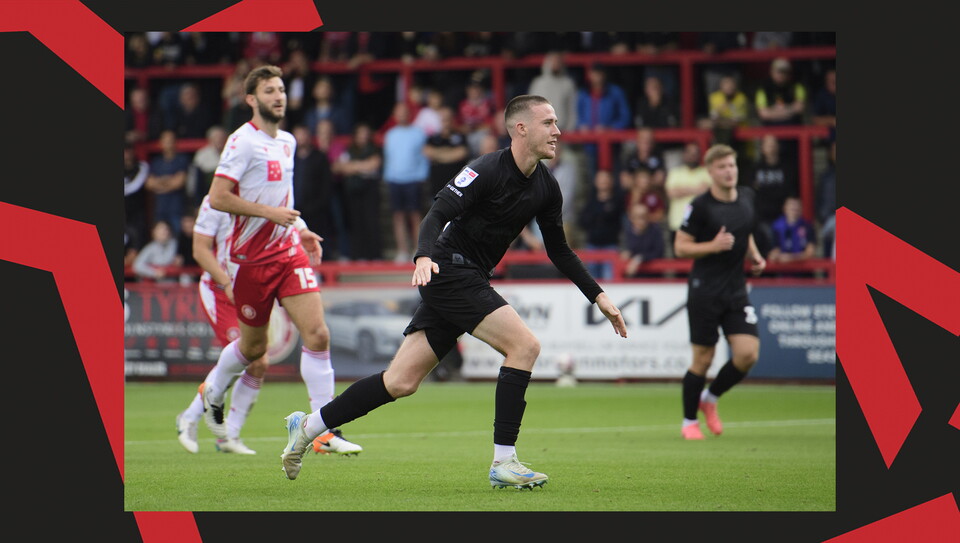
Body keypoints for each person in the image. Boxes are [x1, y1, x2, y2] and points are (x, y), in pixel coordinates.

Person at [278, 94, 628, 488]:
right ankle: (504, 462)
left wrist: (598, 296)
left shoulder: (547, 187)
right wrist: (423, 256)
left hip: (467, 276)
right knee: (525, 347)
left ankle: (308, 427)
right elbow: (437, 214)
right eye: (548, 122)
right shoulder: (485, 169)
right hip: (448, 270)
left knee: (400, 381)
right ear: (521, 128)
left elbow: (559, 250)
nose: (557, 131)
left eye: (556, 122)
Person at [200, 64, 363, 457]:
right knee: (253, 348)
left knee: (318, 334)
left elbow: (283, 199)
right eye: (270, 91)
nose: (279, 97)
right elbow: (218, 197)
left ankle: (322, 429)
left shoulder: (287, 141)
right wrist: (269, 214)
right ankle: (214, 390)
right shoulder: (242, 141)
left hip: (287, 252)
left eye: (282, 90)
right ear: (251, 99)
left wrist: (300, 228)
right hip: (249, 261)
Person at [673, 143, 766, 440]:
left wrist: (755, 255)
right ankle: (689, 422)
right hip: (705, 291)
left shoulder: (747, 197)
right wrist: (713, 246)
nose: (729, 171)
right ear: (710, 172)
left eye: (732, 165)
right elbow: (680, 247)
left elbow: (744, 231)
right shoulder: (700, 206)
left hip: (736, 289)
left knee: (747, 354)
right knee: (703, 358)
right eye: (722, 167)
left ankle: (710, 399)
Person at [383, 101, 430, 263]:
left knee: (415, 215)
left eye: (404, 112)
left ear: (409, 114)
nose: (401, 115)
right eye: (398, 112)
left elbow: (423, 157)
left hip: (413, 179)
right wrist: (388, 176)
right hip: (395, 179)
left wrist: (422, 176)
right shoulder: (390, 134)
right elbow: (389, 158)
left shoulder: (418, 133)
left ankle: (418, 249)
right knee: (398, 216)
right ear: (394, 115)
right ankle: (402, 250)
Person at [336, 122, 384, 261]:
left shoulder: (374, 149)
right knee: (356, 222)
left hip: (370, 189)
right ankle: (359, 254)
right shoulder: (349, 149)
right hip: (353, 190)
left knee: (371, 221)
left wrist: (353, 166)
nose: (363, 136)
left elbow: (374, 164)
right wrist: (362, 166)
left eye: (366, 133)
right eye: (361, 133)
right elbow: (339, 167)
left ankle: (375, 255)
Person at [578, 169, 624, 280]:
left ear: (611, 181)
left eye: (606, 179)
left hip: (610, 246)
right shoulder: (590, 202)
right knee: (592, 280)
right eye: (600, 179)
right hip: (592, 245)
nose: (603, 182)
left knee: (609, 279)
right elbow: (582, 222)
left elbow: (620, 223)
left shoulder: (617, 201)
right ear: (596, 182)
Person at [664, 141, 711, 245]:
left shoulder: (707, 172)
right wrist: (697, 189)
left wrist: (682, 189)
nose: (692, 156)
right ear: (684, 154)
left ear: (699, 155)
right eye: (689, 153)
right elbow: (671, 193)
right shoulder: (675, 172)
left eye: (695, 153)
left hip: (700, 225)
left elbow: (709, 193)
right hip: (677, 224)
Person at [146, 129, 190, 237]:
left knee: (177, 236)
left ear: (175, 142)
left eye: (170, 141)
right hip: (160, 207)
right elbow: (149, 183)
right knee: (159, 236)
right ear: (161, 143)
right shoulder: (156, 162)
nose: (168, 144)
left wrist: (159, 183)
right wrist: (169, 180)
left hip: (177, 207)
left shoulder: (182, 159)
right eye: (165, 141)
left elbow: (179, 182)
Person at [527, 51, 577, 132]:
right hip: (541, 130)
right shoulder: (538, 83)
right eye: (553, 61)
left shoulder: (568, 84)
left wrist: (569, 129)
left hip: (561, 130)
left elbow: (572, 108)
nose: (555, 64)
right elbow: (531, 107)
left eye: (558, 62)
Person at [767, 195, 816, 265]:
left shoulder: (808, 227)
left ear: (801, 208)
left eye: (797, 206)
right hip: (783, 269)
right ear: (784, 208)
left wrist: (790, 258)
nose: (794, 208)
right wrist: (777, 256)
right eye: (791, 206)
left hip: (804, 269)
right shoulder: (776, 227)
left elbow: (810, 252)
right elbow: (773, 253)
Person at [621, 202, 665, 278]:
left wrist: (640, 258)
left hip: (653, 277)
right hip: (632, 278)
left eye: (644, 216)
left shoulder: (655, 231)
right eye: (638, 216)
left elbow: (658, 252)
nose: (642, 220)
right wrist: (624, 254)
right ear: (631, 217)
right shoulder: (625, 233)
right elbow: (621, 252)